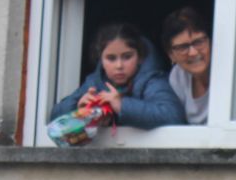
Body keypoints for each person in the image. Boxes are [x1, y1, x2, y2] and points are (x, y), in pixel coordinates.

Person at [49, 21, 185, 129]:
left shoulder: (152, 80)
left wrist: (121, 105)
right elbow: (54, 117)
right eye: (111, 58)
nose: (119, 66)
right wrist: (77, 110)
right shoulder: (95, 83)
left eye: (127, 57)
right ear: (100, 60)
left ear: (140, 57)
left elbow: (173, 115)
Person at [162, 7, 212, 124]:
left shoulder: (234, 72)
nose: (193, 53)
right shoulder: (177, 76)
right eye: (183, 47)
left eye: (198, 42)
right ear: (171, 55)